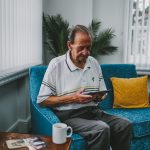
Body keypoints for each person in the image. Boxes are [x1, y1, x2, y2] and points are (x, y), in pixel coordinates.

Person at [37, 25, 132, 150]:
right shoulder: (56, 65)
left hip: (93, 111)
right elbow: (42, 100)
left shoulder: (94, 63)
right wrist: (73, 98)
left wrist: (98, 96)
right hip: (69, 115)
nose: (86, 52)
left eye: (88, 48)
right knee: (101, 129)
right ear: (69, 45)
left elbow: (102, 93)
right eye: (81, 48)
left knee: (124, 124)